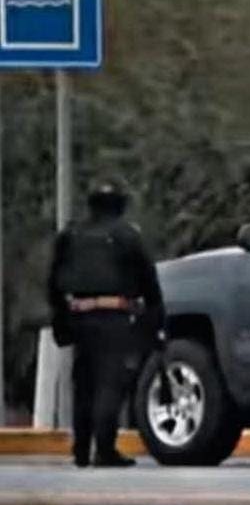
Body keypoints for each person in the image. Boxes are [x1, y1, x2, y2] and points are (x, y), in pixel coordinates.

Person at [47, 178, 165, 468]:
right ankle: (104, 449)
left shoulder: (71, 234)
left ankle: (81, 449)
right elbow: (149, 282)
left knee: (84, 384)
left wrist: (61, 321)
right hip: (115, 317)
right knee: (109, 384)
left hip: (79, 316)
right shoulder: (127, 235)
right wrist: (155, 321)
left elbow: (53, 282)